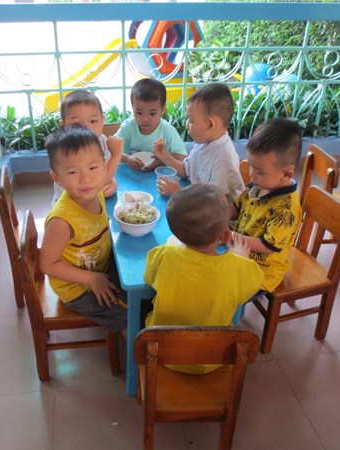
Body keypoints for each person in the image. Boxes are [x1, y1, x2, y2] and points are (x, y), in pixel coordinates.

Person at [143, 183, 264, 374]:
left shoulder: (164, 254)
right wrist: (242, 258)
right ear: (226, 235)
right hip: (214, 358)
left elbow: (148, 279)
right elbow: (248, 292)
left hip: (162, 353)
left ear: (175, 233)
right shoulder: (239, 268)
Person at [40, 125, 127, 337]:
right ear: (57, 178)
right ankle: (138, 356)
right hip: (76, 287)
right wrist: (92, 279)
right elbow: (47, 264)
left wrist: (116, 155)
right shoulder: (62, 221)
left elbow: (106, 176)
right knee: (127, 316)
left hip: (100, 266)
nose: (86, 178)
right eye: (72, 172)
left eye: (93, 167)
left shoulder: (93, 188)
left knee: (139, 291)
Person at [230, 117, 303, 293]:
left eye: (259, 171)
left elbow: (268, 246)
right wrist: (214, 218)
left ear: (285, 175)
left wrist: (229, 236)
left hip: (262, 271)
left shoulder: (286, 210)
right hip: (239, 252)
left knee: (225, 288)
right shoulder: (258, 186)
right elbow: (236, 209)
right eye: (250, 166)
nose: (251, 175)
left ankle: (233, 310)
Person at [153, 82, 245, 201]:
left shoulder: (223, 159)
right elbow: (186, 170)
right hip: (197, 202)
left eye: (191, 121)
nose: (187, 125)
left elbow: (213, 204)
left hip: (215, 211)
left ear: (209, 124)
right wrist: (165, 156)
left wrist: (178, 193)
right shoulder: (203, 143)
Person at [51, 90, 123, 206]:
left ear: (102, 121)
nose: (87, 128)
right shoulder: (66, 150)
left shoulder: (102, 141)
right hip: (71, 209)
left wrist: (113, 182)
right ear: (64, 125)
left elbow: (105, 170)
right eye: (77, 124)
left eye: (93, 121)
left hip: (91, 202)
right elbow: (102, 180)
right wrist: (116, 155)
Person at [116, 78, 187, 172]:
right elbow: (111, 149)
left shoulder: (167, 130)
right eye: (139, 113)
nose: (145, 119)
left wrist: (162, 161)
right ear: (132, 108)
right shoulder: (128, 127)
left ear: (163, 109)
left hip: (158, 176)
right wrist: (126, 159)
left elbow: (182, 156)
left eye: (152, 113)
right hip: (129, 174)